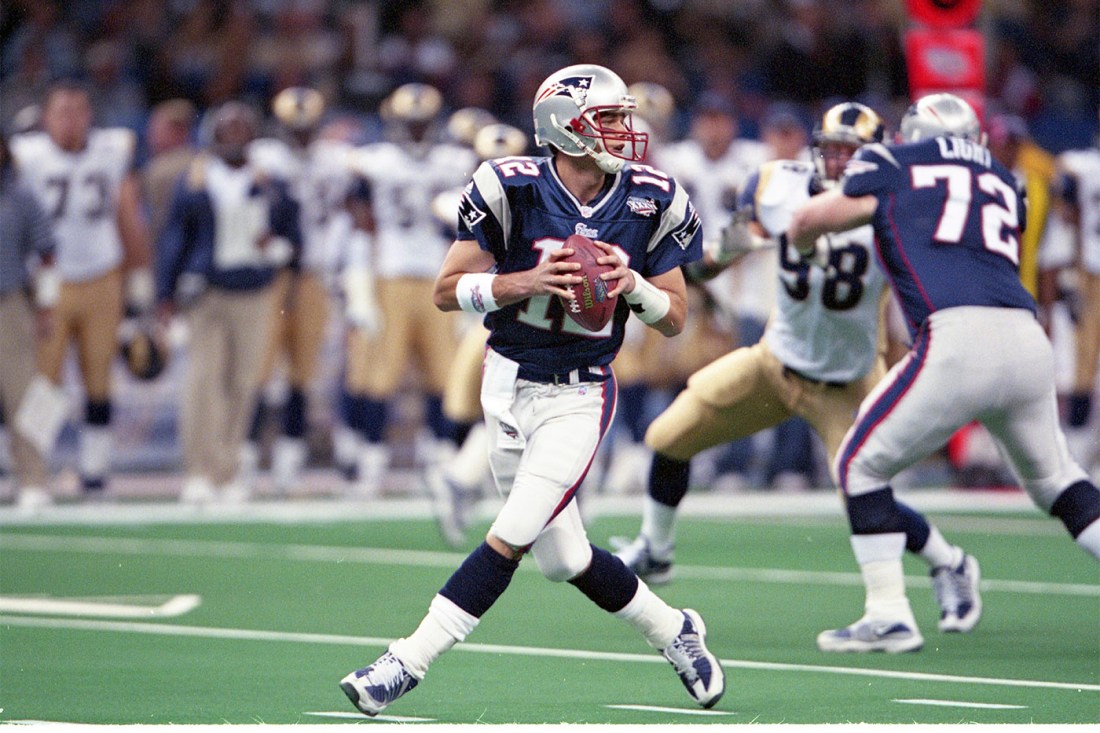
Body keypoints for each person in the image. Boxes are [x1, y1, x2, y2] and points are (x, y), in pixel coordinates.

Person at [339, 63, 724, 716]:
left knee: (511, 531)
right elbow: (444, 290)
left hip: (580, 393)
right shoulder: (508, 186)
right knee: (564, 557)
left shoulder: (651, 197)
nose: (626, 132)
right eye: (609, 119)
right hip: (507, 380)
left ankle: (405, 660)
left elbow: (678, 314)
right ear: (565, 127)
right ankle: (674, 630)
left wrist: (633, 285)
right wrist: (525, 281)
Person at [615, 103, 979, 653]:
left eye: (851, 152)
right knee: (667, 437)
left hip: (847, 382)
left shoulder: (896, 204)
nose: (838, 162)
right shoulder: (775, 185)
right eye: (831, 149)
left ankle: (949, 562)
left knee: (864, 489)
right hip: (773, 361)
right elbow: (732, 245)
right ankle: (656, 548)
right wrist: (697, 268)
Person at [787, 92, 1100, 652]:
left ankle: (887, 614)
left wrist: (807, 245)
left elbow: (812, 218)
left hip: (957, 337)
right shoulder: (1008, 180)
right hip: (1026, 339)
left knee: (859, 466)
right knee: (1057, 481)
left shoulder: (892, 161)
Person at [10, 81, 153, 495]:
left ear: (90, 115)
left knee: (99, 376)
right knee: (43, 382)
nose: (71, 120)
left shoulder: (112, 150)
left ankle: (95, 470)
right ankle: (34, 471)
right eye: (62, 111)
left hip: (102, 275)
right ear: (46, 117)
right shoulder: (27, 156)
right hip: (48, 282)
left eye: (78, 111)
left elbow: (128, 215)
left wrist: (139, 279)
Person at [155, 101, 301, 504]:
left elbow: (294, 239)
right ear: (213, 135)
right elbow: (174, 240)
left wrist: (274, 248)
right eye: (227, 129)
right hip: (208, 293)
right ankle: (198, 470)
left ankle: (227, 469)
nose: (235, 136)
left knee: (243, 383)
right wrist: (164, 293)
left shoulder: (270, 182)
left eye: (242, 128)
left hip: (254, 292)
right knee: (204, 381)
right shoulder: (196, 179)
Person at [343, 83, 478, 497]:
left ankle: (440, 460)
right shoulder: (374, 163)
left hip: (443, 276)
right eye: (410, 124)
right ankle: (372, 461)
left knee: (445, 376)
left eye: (423, 124)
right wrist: (360, 288)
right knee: (380, 375)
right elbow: (363, 226)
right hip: (392, 275)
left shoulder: (457, 162)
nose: (417, 132)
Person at [242, 87, 362, 494]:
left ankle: (288, 462)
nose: (301, 136)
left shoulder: (339, 158)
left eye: (307, 129)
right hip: (270, 275)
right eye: (295, 129)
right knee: (258, 368)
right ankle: (245, 459)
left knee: (302, 373)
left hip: (316, 274)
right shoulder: (263, 157)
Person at [0, 131, 58, 510]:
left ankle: (34, 477)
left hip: (10, 303)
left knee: (24, 393)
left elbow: (48, 251)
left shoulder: (19, 196)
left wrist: (47, 305)